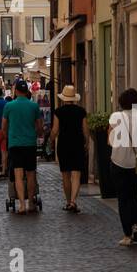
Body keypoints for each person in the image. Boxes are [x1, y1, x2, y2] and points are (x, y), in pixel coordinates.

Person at [3, 78, 41, 214]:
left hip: (15, 144)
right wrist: (35, 133)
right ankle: (31, 202)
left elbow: (4, 126)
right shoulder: (34, 106)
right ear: (27, 91)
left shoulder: (9, 106)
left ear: (16, 91)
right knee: (31, 174)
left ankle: (22, 205)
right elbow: (40, 126)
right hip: (30, 143)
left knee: (18, 174)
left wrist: (8, 136)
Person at [111, 87, 137, 246]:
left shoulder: (116, 117)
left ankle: (127, 235)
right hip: (136, 163)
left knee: (123, 199)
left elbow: (108, 139)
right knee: (133, 195)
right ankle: (136, 225)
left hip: (118, 162)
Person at [49, 85, 88, 213]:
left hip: (64, 144)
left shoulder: (58, 112)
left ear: (63, 98)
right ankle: (73, 201)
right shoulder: (81, 111)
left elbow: (55, 130)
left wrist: (51, 141)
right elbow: (85, 130)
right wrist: (86, 142)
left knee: (65, 175)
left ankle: (67, 202)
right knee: (76, 174)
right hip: (77, 144)